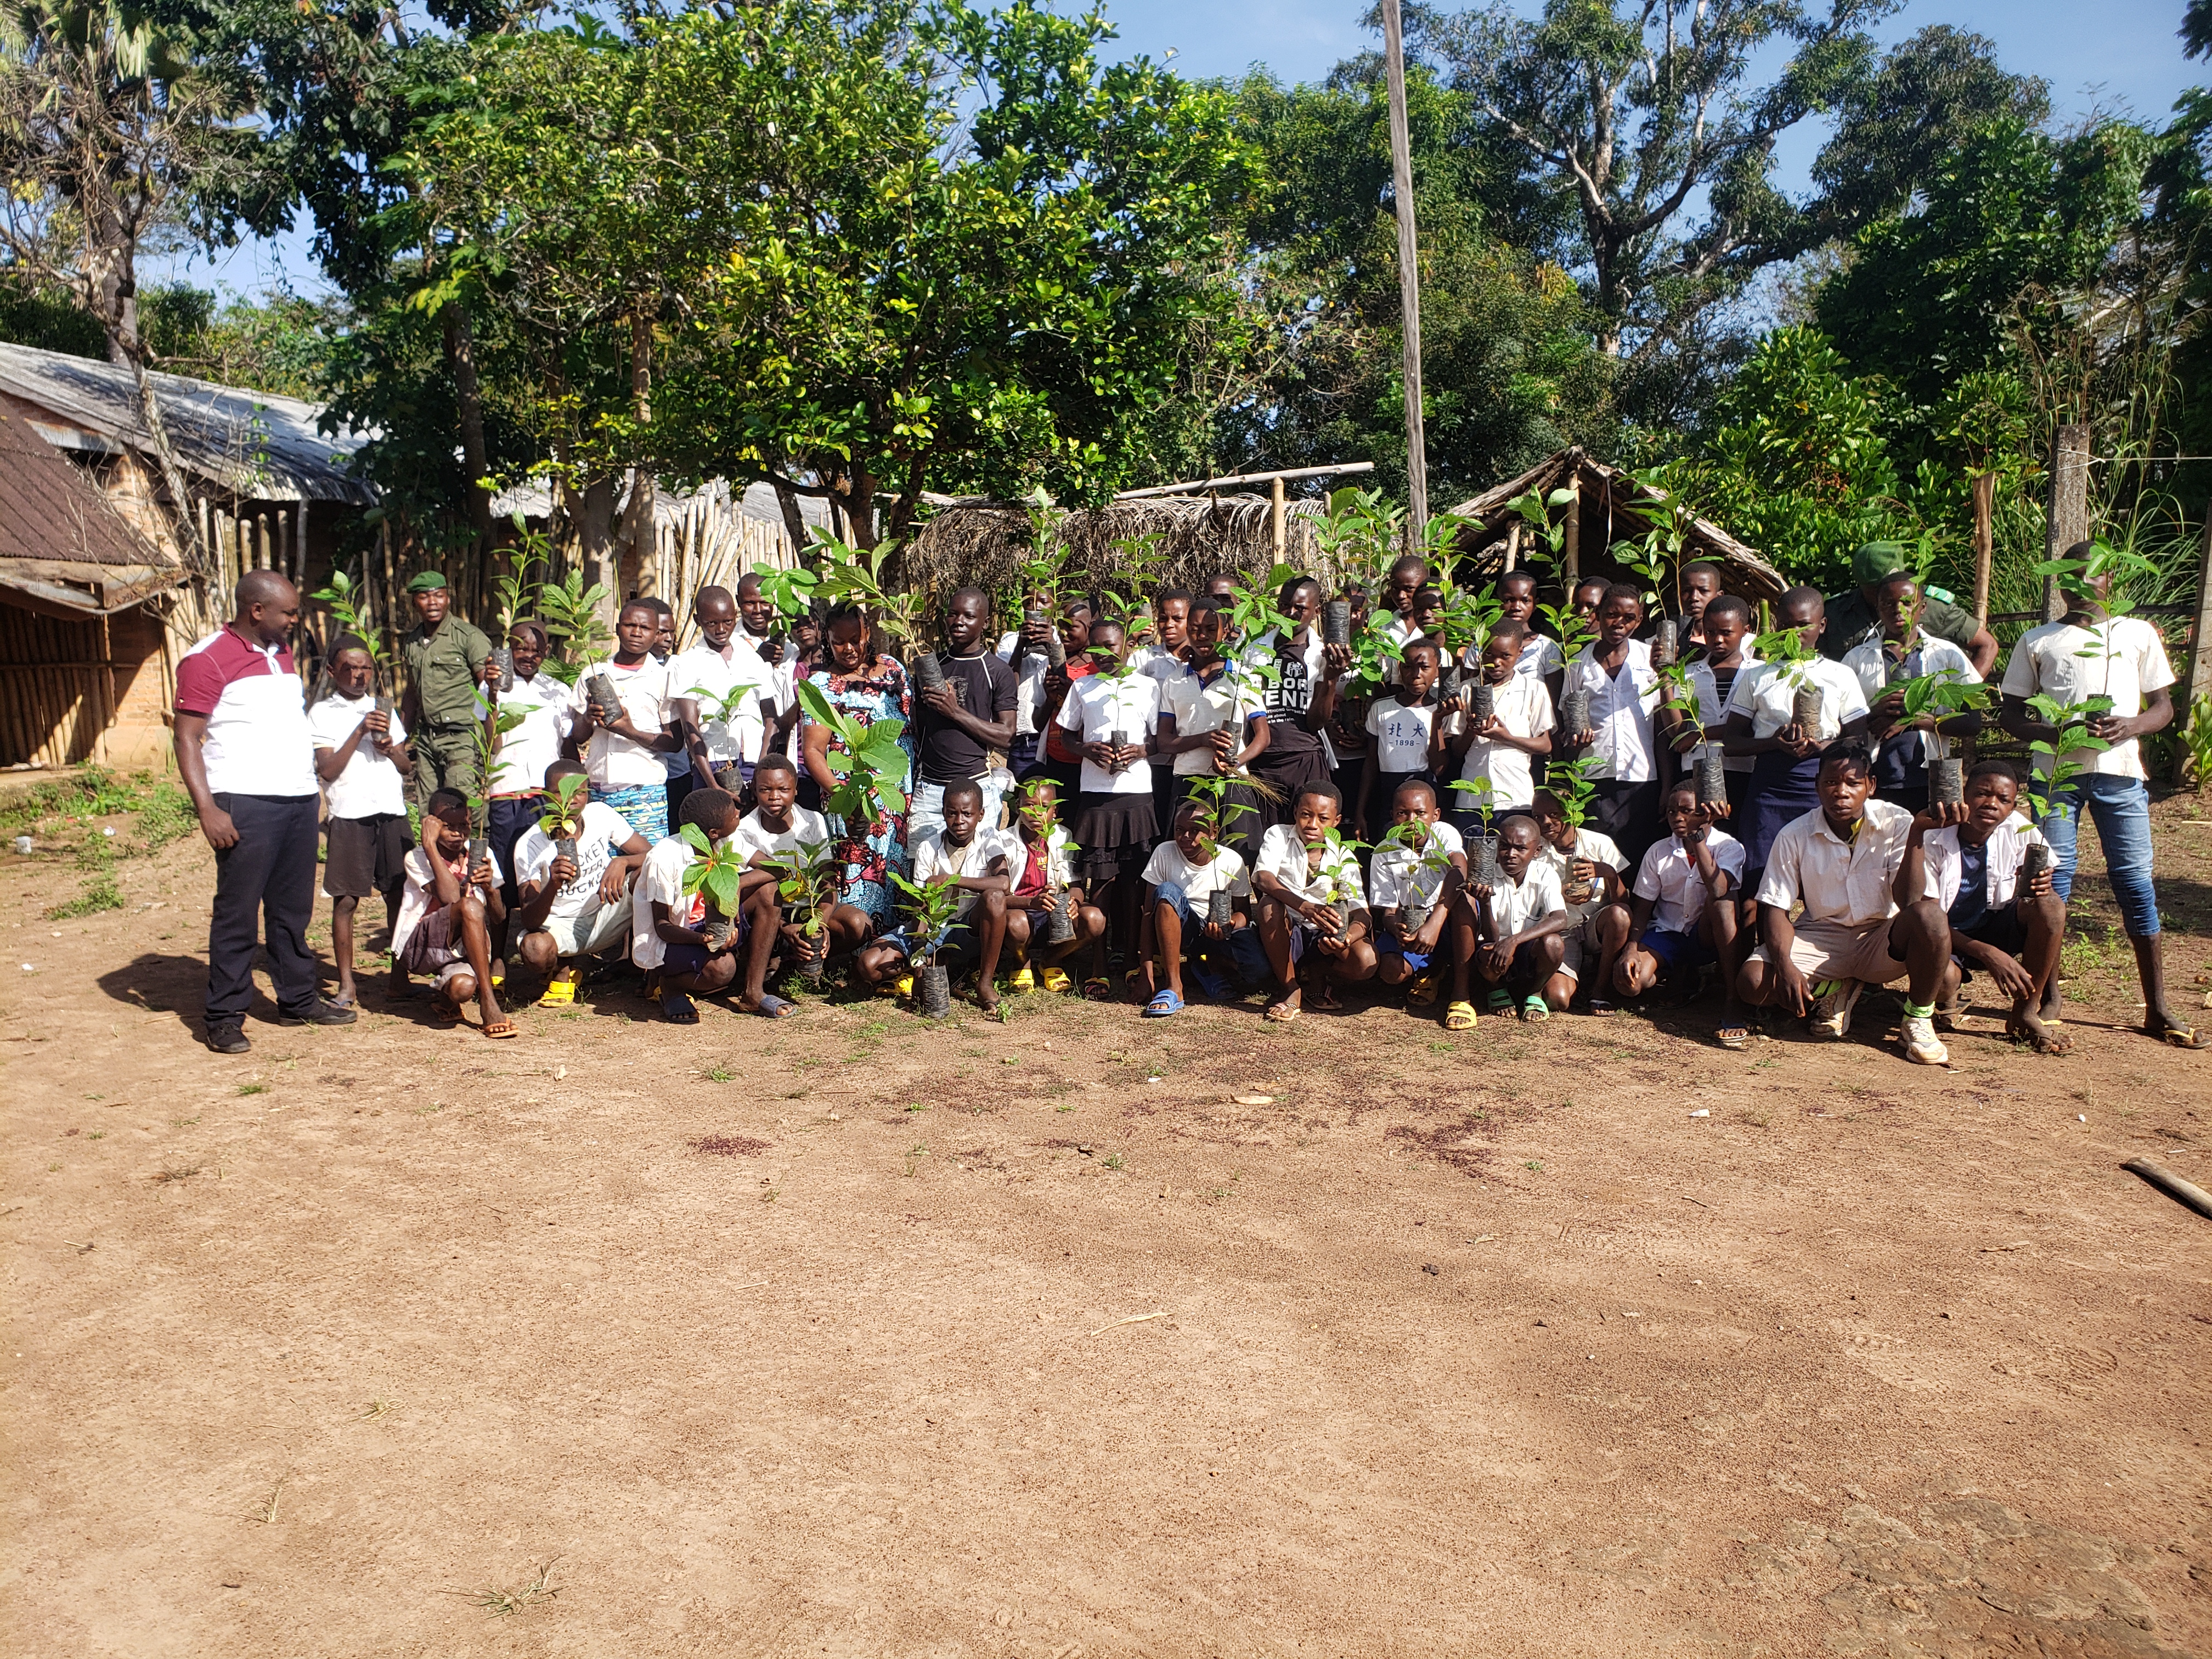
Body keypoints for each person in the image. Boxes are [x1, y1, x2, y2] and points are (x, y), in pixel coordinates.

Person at [1997, 543, 2199, 1047]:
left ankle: (2156, 1004)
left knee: (2133, 880)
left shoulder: (2134, 634)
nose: (2082, 585)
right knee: (2052, 879)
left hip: (2121, 774)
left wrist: (2130, 726)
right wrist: (2057, 731)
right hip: (2056, 775)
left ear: (2111, 579)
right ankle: (2046, 996)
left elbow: (2163, 708)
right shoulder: (2040, 639)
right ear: (2060, 582)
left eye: (2093, 576)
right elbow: (2011, 714)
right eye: (2071, 577)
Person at [173, 570, 354, 1052]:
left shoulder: (282, 652)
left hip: (296, 800)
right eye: (289, 613)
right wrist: (207, 809)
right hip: (244, 801)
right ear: (257, 611)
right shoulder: (206, 658)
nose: (296, 620)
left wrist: (311, 792)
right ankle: (225, 1014)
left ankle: (297, 999)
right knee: (237, 912)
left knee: (292, 908)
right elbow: (187, 737)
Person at [1735, 743, 1953, 1065]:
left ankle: (1918, 1019)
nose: (1841, 792)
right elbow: (1776, 908)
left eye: (1853, 783)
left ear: (1871, 787)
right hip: (1823, 936)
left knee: (1930, 917)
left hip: (1880, 937)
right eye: (1831, 783)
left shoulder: (1897, 821)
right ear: (1817, 787)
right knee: (1753, 984)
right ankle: (1835, 987)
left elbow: (1908, 901)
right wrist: (1786, 965)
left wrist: (1918, 833)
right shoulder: (1794, 834)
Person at [1907, 761, 2067, 1054]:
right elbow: (1924, 916)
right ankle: (1944, 997)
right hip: (1945, 936)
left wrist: (2042, 885)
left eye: (2003, 800)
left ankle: (2025, 1013)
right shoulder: (1933, 835)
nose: (1991, 804)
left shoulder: (2020, 829)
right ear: (1963, 794)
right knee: (1944, 980)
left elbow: (2044, 893)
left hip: (1996, 924)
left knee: (2051, 906)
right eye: (1982, 794)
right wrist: (1990, 954)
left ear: (2012, 806)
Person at [1719, 586, 1871, 888]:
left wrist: (1826, 747)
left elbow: (1859, 740)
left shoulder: (1839, 675)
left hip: (1822, 785)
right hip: (1769, 787)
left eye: (1804, 625)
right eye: (1787, 627)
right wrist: (1773, 743)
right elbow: (1732, 743)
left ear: (1822, 625)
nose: (1795, 634)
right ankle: (1765, 935)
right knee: (1759, 882)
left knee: (1825, 879)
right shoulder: (1758, 676)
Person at [1051, 617, 1166, 986]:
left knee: (1133, 881)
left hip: (1136, 794)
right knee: (1099, 881)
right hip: (1097, 796)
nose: (1104, 655)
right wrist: (1088, 749)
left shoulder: (1148, 687)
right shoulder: (1083, 687)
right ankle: (1099, 964)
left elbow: (1161, 739)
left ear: (1127, 646)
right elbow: (1067, 737)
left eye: (1111, 647)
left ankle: (1131, 958)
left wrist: (1140, 750)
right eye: (1096, 648)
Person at [308, 638, 413, 1009]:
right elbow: (328, 770)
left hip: (391, 810)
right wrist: (358, 733)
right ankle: (347, 986)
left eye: (365, 668)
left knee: (399, 895)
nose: (358, 675)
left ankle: (399, 981)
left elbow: (404, 767)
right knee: (347, 900)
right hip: (349, 814)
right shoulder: (322, 713)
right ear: (333, 671)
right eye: (349, 668)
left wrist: (389, 747)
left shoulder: (383, 708)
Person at [799, 605, 916, 935]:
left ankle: (893, 947)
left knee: (895, 865)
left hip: (896, 796)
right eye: (839, 642)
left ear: (868, 634)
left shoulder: (893, 671)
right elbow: (813, 752)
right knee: (858, 866)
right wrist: (845, 799)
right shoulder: (822, 684)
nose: (848, 649)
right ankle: (858, 945)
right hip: (853, 796)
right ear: (828, 640)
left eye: (855, 639)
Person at [860, 778, 1018, 1012]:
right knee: (869, 965)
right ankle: (931, 966)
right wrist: (921, 952)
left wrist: (950, 879)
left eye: (967, 814)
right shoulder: (928, 848)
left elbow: (1003, 883)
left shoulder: (990, 840)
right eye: (952, 813)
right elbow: (920, 911)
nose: (959, 821)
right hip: (934, 929)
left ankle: (985, 981)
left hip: (970, 930)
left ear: (981, 814)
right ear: (943, 812)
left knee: (994, 897)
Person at [633, 787, 781, 1022]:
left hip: (713, 925)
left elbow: (777, 869)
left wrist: (733, 888)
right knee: (723, 970)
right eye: (734, 816)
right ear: (713, 832)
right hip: (678, 937)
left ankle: (754, 992)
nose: (739, 816)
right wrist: (703, 940)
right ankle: (668, 984)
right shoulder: (663, 858)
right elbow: (662, 926)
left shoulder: (728, 840)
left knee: (768, 892)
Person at [1614, 783, 1747, 1041]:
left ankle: (1732, 997)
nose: (1677, 818)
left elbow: (1719, 887)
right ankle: (1676, 975)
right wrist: (1631, 947)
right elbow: (1643, 908)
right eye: (1672, 811)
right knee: (1629, 986)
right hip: (1668, 933)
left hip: (1706, 936)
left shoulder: (1729, 847)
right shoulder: (1658, 851)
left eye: (1687, 811)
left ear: (1707, 813)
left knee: (1722, 902)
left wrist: (1697, 839)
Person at [1843, 571, 1982, 815]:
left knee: (1931, 841)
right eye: (1888, 604)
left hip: (1931, 776)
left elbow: (1971, 723)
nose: (1898, 610)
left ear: (1923, 607)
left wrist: (1913, 720)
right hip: (1874, 776)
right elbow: (1838, 722)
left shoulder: (1948, 656)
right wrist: (1873, 712)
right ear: (1878, 609)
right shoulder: (1857, 659)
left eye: (1908, 603)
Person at [510, 760, 651, 998]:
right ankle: (560, 966)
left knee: (647, 876)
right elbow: (530, 920)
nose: (572, 799)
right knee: (535, 950)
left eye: (580, 792)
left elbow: (652, 855)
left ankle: (652, 968)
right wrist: (553, 885)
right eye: (561, 792)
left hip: (606, 912)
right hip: (559, 924)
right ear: (546, 797)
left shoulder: (600, 814)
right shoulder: (530, 844)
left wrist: (622, 862)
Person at [733, 753, 874, 976]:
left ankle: (809, 957)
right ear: (754, 791)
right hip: (768, 914)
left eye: (783, 789)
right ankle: (774, 953)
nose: (774, 797)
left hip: (808, 909)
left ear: (796, 790)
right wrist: (782, 927)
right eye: (765, 790)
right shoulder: (744, 831)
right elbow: (749, 897)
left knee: (857, 924)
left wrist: (819, 924)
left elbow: (827, 880)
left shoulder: (813, 821)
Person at [389, 788, 514, 1037]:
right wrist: (429, 845)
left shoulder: (481, 855)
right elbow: (450, 898)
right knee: (468, 906)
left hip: (463, 950)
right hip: (421, 947)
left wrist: (490, 889)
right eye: (448, 827)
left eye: (463, 825)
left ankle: (446, 1001)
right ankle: (488, 1002)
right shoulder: (418, 857)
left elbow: (499, 918)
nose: (458, 833)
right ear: (431, 825)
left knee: (463, 988)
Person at [481, 619, 573, 950]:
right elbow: (492, 742)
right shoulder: (492, 688)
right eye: (521, 648)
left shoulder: (557, 690)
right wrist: (493, 694)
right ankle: (499, 954)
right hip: (507, 791)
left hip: (546, 796)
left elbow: (569, 742)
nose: (529, 656)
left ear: (547, 652)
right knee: (506, 870)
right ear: (509, 649)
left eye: (537, 650)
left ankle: (547, 942)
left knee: (544, 866)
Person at [1556, 584, 1663, 865]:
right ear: (1598, 615)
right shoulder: (1577, 663)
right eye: (1612, 615)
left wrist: (1667, 783)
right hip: (1595, 773)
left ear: (1639, 621)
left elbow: (1662, 726)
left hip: (1641, 773)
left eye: (1629, 618)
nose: (1619, 623)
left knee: (1638, 852)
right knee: (1600, 852)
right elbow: (1568, 720)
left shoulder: (1649, 659)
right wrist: (1574, 744)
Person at [1251, 781, 1375, 1022]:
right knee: (1268, 905)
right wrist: (1304, 906)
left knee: (1366, 960)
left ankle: (1318, 972)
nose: (1312, 824)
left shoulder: (1343, 856)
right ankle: (1290, 987)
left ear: (1336, 822)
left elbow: (1362, 913)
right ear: (1296, 812)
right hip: (1286, 931)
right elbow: (1264, 879)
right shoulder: (1278, 835)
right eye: (1306, 815)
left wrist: (1346, 939)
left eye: (1323, 818)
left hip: (1322, 936)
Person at [567, 599, 685, 843]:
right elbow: (577, 736)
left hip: (645, 789)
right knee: (603, 867)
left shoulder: (663, 678)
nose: (636, 633)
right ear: (618, 627)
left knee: (647, 865)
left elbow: (674, 742)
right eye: (630, 625)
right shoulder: (594, 674)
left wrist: (629, 731)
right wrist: (588, 717)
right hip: (600, 788)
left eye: (645, 628)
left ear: (656, 635)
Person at [1157, 600, 1269, 848]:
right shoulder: (1174, 681)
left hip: (1233, 780)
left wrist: (1236, 762)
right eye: (1195, 629)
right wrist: (1203, 739)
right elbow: (1164, 741)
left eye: (1211, 628)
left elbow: (1263, 736)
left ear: (1225, 631)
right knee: (1188, 853)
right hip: (1188, 780)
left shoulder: (1243, 677)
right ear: (1187, 631)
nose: (1202, 636)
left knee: (1240, 856)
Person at [1137, 796, 1262, 1015]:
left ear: (1213, 834)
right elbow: (1149, 913)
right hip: (1185, 929)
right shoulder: (1165, 853)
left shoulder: (1231, 860)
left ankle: (1208, 966)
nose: (1185, 837)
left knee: (1259, 973)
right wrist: (1145, 973)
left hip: (1221, 933)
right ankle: (1174, 986)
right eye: (1179, 829)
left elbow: (1244, 911)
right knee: (1167, 892)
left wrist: (1230, 924)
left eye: (1195, 831)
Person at [910, 587, 1019, 839]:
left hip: (975, 788)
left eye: (968, 616)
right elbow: (919, 727)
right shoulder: (930, 667)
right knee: (924, 872)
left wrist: (955, 712)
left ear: (985, 623)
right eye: (952, 614)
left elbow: (1007, 736)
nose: (958, 622)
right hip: (930, 790)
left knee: (975, 871)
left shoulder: (997, 672)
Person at [1246, 577, 1349, 828]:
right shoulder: (1256, 651)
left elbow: (1316, 723)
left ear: (1317, 610)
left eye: (1301, 608)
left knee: (1309, 838)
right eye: (1284, 605)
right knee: (1265, 841)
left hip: (1305, 759)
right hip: (1264, 762)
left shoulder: (1322, 653)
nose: (1290, 613)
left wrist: (1331, 678)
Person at [1441, 619, 1553, 839]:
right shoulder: (1467, 690)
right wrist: (1471, 732)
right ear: (1480, 652)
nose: (1496, 663)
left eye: (1505, 656)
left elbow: (1545, 744)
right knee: (1475, 861)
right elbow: (1456, 750)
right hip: (1471, 796)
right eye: (1489, 655)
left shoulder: (1533, 690)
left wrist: (1507, 737)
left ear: (1520, 652)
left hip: (1515, 795)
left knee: (1511, 857)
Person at [1822, 541, 1999, 675]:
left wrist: (1962, 699)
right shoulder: (1837, 613)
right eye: (1877, 590)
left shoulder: (1932, 609)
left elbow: (1987, 646)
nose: (1889, 597)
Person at [671, 584, 776, 806]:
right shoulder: (687, 663)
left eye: (728, 622)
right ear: (698, 620)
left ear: (735, 616)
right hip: (713, 765)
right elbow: (691, 729)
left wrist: (762, 769)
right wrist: (711, 783)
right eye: (711, 623)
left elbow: (771, 719)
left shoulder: (751, 657)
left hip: (754, 760)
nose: (721, 629)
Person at [1529, 789, 1630, 1014]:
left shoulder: (1599, 843)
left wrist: (1609, 874)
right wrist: (1558, 895)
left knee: (1619, 916)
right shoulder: (1535, 850)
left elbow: (1623, 902)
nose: (1546, 822)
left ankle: (1600, 989)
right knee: (1558, 1000)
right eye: (1538, 816)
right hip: (1563, 931)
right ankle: (1571, 976)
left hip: (1596, 924)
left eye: (1554, 814)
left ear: (1571, 813)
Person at [1369, 778, 1466, 1015]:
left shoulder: (1444, 833)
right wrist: (1397, 929)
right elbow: (1389, 911)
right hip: (1412, 921)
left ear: (1435, 815)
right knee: (1391, 971)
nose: (1412, 822)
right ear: (1393, 815)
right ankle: (1429, 972)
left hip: (1445, 917)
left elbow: (1459, 869)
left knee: (1466, 900)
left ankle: (1461, 992)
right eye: (1403, 813)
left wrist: (1435, 923)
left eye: (1421, 813)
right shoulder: (1384, 851)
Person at [1462, 813, 1568, 1023]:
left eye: (1521, 848)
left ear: (1536, 851)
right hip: (1496, 952)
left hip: (1528, 952)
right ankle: (1496, 988)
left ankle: (1535, 992)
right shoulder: (1487, 876)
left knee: (1554, 944)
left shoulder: (1545, 874)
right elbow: (1489, 936)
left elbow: (1560, 919)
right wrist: (1484, 903)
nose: (1511, 854)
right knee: (1490, 951)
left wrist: (1514, 940)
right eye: (1504, 846)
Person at [1003, 775, 1105, 994]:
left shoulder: (1062, 837)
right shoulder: (1002, 840)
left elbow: (1075, 885)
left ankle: (1051, 960)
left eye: (1044, 807)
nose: (1036, 813)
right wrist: (1031, 902)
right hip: (1020, 913)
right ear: (1018, 806)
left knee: (1095, 920)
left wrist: (1074, 901)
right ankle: (1022, 961)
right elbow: (997, 897)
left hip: (1054, 915)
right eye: (1030, 806)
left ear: (1054, 812)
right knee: (1017, 923)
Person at [397, 571, 494, 802]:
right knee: (428, 807)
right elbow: (412, 693)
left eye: (439, 596)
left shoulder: (468, 637)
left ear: (448, 599)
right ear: (414, 602)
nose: (433, 603)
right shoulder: (412, 642)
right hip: (427, 738)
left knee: (461, 805)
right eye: (424, 597)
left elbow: (490, 689)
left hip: (462, 738)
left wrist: (490, 742)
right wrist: (401, 739)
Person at [1669, 595, 1757, 817]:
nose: (1717, 639)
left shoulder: (1759, 673)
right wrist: (1665, 680)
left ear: (1745, 630)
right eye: (1710, 632)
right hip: (1695, 768)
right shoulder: (1688, 674)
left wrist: (1702, 734)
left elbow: (1756, 725)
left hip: (1743, 769)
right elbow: (1676, 733)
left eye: (1726, 633)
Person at [1354, 637, 1444, 841]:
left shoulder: (1442, 710)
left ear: (1437, 670)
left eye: (1424, 667)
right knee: (1389, 849)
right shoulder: (1381, 709)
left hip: (1425, 791)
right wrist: (1360, 811)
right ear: (1399, 669)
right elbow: (1371, 762)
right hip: (1387, 793)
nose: (1416, 675)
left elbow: (1441, 766)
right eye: (1409, 667)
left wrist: (1438, 720)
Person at [992, 588, 1059, 775]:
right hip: (1023, 735)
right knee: (1023, 796)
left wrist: (1051, 645)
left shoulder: (1063, 640)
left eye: (1044, 602)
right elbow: (1005, 685)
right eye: (1029, 603)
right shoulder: (1010, 640)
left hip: (1053, 734)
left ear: (1053, 605)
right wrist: (1021, 645)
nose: (1036, 607)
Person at [1493, 571, 1565, 690]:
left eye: (1525, 601)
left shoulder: (1547, 648)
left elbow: (1552, 698)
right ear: (1497, 602)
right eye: (1508, 600)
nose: (1516, 607)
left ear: (1535, 605)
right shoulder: (1482, 644)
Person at [1380, 555, 1432, 646]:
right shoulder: (1384, 626)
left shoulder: (1438, 625)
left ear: (1425, 586)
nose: (1401, 596)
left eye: (1409, 588)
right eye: (1395, 588)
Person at [1677, 560, 1728, 652]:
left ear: (1719, 596)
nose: (1694, 598)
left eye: (1703, 591)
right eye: (1687, 591)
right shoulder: (1662, 643)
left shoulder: (1737, 644)